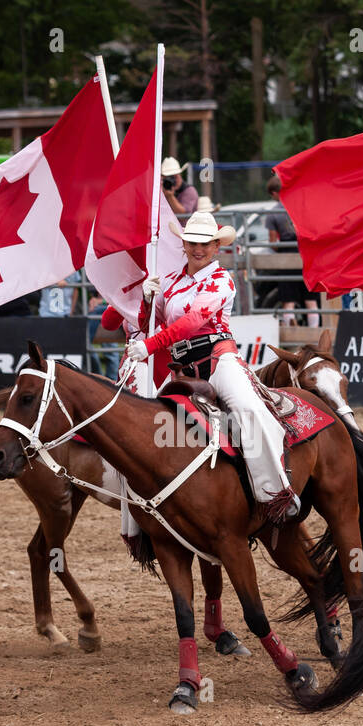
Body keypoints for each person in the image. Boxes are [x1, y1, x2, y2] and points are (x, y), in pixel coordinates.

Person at [124, 210, 299, 521]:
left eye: (205, 243)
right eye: (191, 242)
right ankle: (147, 516)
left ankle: (277, 494)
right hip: (183, 367)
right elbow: (151, 322)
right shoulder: (172, 281)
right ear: (184, 244)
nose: (198, 248)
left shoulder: (221, 280)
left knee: (250, 411)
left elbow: (193, 322)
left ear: (217, 246)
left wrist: (149, 346)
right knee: (143, 426)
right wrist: (147, 301)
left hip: (218, 359)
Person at [264, 175, 319, 325]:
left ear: (275, 193)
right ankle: (314, 336)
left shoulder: (272, 214)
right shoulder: (302, 207)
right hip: (305, 252)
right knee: (311, 299)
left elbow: (273, 242)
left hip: (286, 253)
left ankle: (290, 329)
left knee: (288, 300)